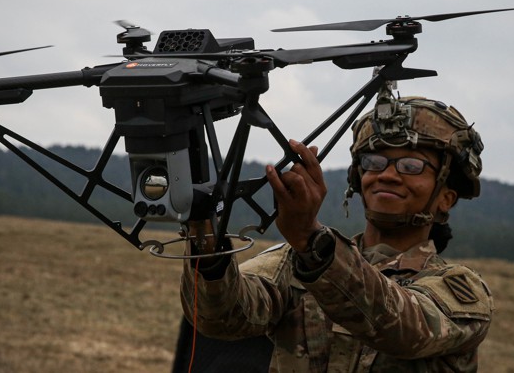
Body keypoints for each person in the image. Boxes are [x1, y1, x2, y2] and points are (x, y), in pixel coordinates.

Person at [180, 91, 493, 372]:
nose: (387, 175)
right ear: (359, 179)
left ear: (445, 198)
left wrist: (312, 241)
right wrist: (203, 231)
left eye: (410, 166)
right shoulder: (293, 262)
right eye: (373, 161)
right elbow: (222, 317)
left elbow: (402, 328)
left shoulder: (461, 292)